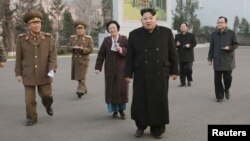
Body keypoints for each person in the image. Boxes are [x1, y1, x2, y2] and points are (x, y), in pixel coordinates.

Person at [124, 8, 179, 139]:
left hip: (160, 73)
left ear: (156, 19)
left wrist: (175, 71)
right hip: (141, 73)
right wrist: (128, 73)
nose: (148, 21)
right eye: (145, 18)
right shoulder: (134, 34)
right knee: (140, 101)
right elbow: (130, 57)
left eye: (151, 18)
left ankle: (157, 128)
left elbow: (173, 53)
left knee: (159, 101)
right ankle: (140, 126)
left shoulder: (166, 32)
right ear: (141, 20)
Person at [15, 10, 57, 126]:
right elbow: (18, 58)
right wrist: (18, 73)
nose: (37, 25)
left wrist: (52, 68)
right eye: (34, 23)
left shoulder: (48, 38)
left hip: (45, 73)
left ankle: (48, 105)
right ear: (29, 25)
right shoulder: (21, 39)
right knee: (29, 100)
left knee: (47, 96)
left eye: (39, 23)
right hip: (28, 74)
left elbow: (53, 56)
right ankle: (31, 118)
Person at [95, 20, 128, 119]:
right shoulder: (106, 40)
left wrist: (121, 49)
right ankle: (114, 110)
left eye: (114, 27)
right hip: (109, 70)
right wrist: (98, 67)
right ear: (108, 30)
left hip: (122, 69)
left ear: (117, 28)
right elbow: (101, 55)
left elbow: (129, 52)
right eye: (110, 28)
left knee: (121, 90)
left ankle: (122, 110)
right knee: (112, 90)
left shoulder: (124, 39)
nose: (112, 30)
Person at [208, 16, 239, 102]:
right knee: (217, 80)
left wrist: (229, 47)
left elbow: (236, 44)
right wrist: (210, 58)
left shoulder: (231, 33)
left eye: (221, 22)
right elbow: (212, 47)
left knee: (227, 79)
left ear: (226, 23)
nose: (219, 24)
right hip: (217, 60)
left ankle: (227, 89)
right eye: (218, 22)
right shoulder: (213, 34)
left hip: (228, 60)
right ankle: (219, 96)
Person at [67, 20, 93, 98]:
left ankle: (80, 90)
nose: (79, 30)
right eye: (78, 29)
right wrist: (73, 48)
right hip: (75, 61)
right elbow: (68, 47)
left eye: (81, 29)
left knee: (82, 75)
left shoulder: (88, 38)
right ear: (76, 29)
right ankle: (84, 88)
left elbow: (90, 49)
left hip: (84, 60)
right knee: (79, 76)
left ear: (84, 29)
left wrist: (82, 49)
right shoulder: (72, 38)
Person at [175, 22, 197, 87]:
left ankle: (189, 80)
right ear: (180, 28)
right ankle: (183, 83)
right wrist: (177, 45)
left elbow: (195, 43)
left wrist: (189, 45)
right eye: (181, 26)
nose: (183, 27)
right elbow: (174, 44)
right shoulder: (177, 36)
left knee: (189, 69)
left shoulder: (191, 35)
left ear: (187, 27)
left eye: (184, 26)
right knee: (181, 70)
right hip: (180, 55)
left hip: (189, 56)